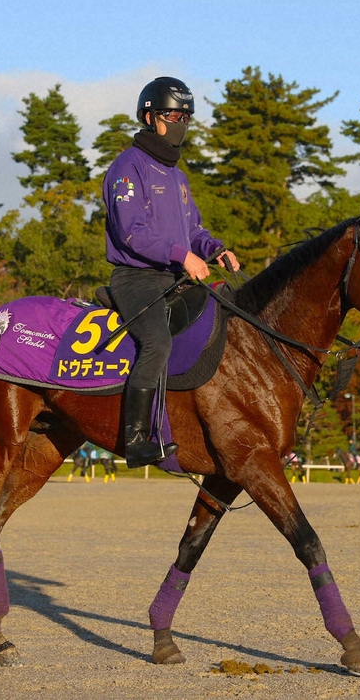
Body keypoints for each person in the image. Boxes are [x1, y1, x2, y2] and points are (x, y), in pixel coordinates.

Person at [103, 76, 239, 468]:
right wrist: (182, 255)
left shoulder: (178, 176)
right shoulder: (127, 168)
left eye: (186, 117)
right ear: (149, 116)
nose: (181, 122)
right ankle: (137, 441)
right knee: (158, 344)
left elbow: (194, 229)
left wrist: (216, 249)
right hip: (136, 279)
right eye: (173, 114)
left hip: (174, 278)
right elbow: (132, 232)